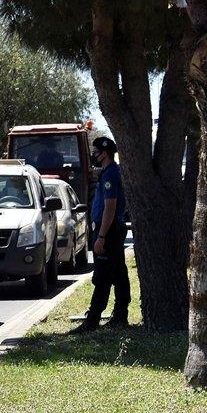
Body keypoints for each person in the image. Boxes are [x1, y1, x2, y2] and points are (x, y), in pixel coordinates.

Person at [72, 136, 130, 332]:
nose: (93, 156)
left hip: (109, 230)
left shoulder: (111, 175)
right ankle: (120, 315)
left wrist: (101, 236)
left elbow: (110, 208)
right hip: (110, 229)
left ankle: (93, 319)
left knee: (103, 276)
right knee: (119, 273)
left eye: (95, 153)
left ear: (104, 153)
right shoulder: (108, 172)